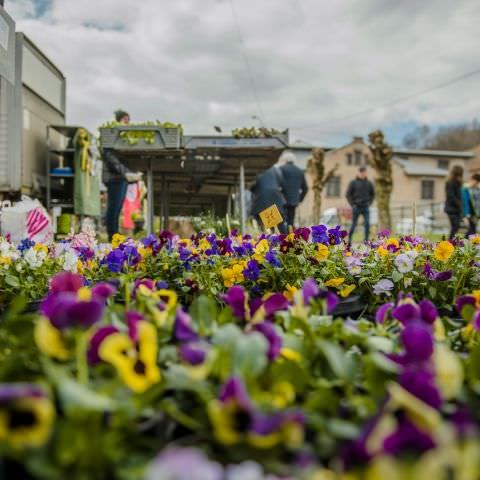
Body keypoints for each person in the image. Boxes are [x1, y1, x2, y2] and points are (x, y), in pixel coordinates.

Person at [103, 109, 141, 240]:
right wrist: (125, 171)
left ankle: (114, 234)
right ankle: (112, 235)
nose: (127, 122)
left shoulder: (124, 137)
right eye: (125, 119)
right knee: (113, 208)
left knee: (118, 208)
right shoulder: (112, 134)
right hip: (114, 177)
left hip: (122, 178)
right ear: (118, 120)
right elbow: (109, 156)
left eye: (128, 120)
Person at [250, 165, 287, 233]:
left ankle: (273, 239)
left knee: (268, 228)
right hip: (275, 198)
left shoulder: (257, 169)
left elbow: (251, 185)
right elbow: (282, 183)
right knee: (277, 225)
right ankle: (283, 239)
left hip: (263, 199)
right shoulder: (276, 169)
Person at [279, 151, 308, 229]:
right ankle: (290, 238)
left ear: (285, 160)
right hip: (294, 202)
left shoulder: (281, 169)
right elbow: (305, 188)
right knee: (290, 222)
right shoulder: (300, 171)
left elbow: (276, 184)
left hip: (282, 200)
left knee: (281, 221)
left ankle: (282, 237)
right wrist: (299, 199)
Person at [346, 166, 375, 243]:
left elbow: (373, 194)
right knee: (354, 224)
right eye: (361, 172)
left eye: (364, 172)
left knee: (367, 224)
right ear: (358, 173)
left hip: (366, 207)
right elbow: (348, 194)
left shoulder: (369, 183)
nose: (363, 174)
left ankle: (366, 240)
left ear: (366, 173)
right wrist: (352, 205)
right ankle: (349, 239)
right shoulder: (353, 183)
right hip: (356, 207)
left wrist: (369, 203)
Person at [444, 165, 464, 239]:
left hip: (456, 209)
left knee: (456, 227)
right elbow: (451, 197)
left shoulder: (457, 183)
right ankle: (450, 243)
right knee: (455, 226)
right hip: (451, 209)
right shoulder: (450, 183)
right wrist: (459, 204)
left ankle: (452, 242)